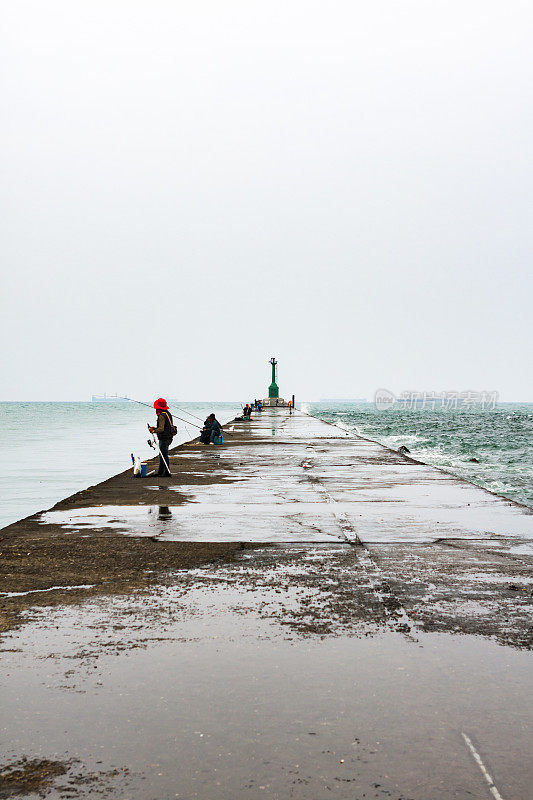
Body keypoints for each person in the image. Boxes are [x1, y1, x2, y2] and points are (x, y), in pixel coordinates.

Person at [148, 398, 174, 476]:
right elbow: (165, 427)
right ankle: (161, 472)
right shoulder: (168, 413)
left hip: (164, 438)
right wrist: (155, 428)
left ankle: (166, 473)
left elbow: (161, 429)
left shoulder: (161, 416)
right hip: (169, 437)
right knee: (163, 454)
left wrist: (153, 431)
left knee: (163, 455)